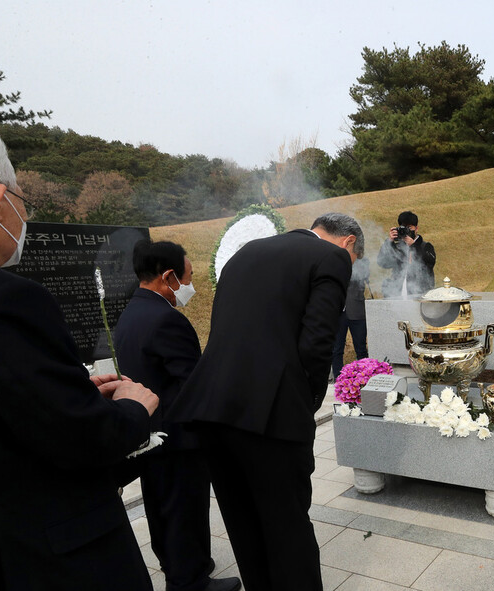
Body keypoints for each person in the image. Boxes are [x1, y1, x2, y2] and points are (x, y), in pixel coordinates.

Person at [0, 120, 159, 590]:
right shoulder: (5, 299)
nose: (24, 218)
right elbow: (78, 439)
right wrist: (132, 409)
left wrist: (70, 396)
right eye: (23, 202)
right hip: (50, 556)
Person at [169, 212, 364, 591]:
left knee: (244, 524)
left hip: (211, 408)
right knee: (287, 527)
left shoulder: (246, 253)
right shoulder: (332, 257)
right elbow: (317, 343)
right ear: (349, 243)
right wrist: (305, 402)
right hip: (271, 414)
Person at [114, 240, 241, 591]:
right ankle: (190, 582)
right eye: (187, 277)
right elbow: (194, 385)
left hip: (151, 434)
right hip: (179, 438)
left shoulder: (131, 312)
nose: (190, 286)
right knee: (184, 509)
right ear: (168, 276)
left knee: (163, 507)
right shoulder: (167, 320)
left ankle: (184, 565)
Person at [377, 210, 436, 298]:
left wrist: (414, 245)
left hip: (419, 295)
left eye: (409, 227)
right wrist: (389, 242)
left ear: (416, 228)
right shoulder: (398, 247)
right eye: (403, 227)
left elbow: (430, 262)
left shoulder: (425, 246)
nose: (406, 230)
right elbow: (382, 263)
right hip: (397, 294)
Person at [332, 256, 370, 380]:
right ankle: (339, 378)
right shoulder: (335, 260)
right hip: (338, 312)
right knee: (336, 348)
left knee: (361, 348)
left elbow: (362, 277)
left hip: (357, 310)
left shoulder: (362, 261)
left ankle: (364, 377)